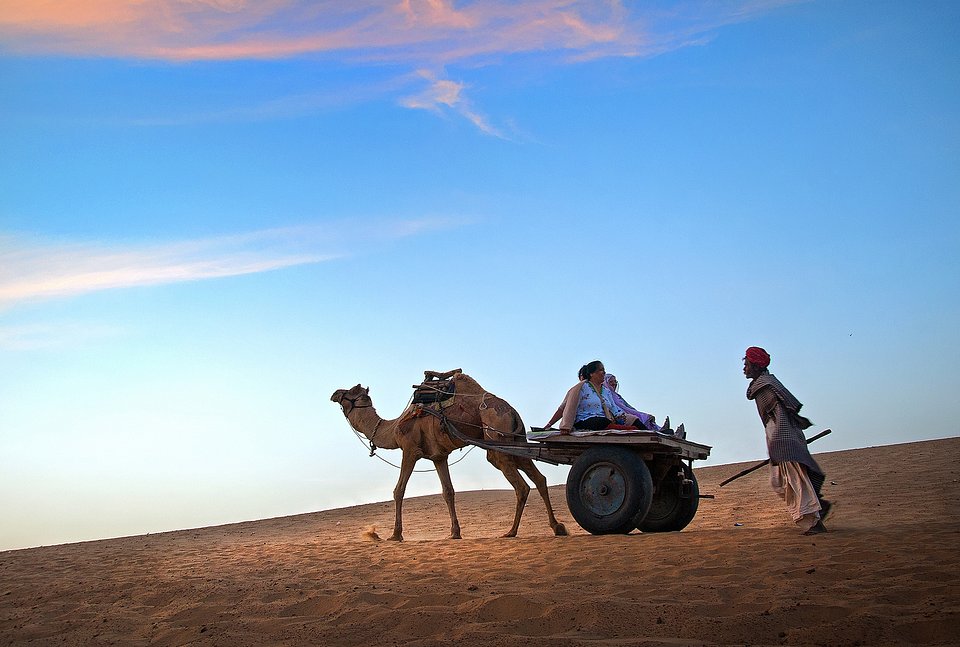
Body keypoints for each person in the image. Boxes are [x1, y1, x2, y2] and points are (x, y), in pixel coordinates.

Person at [743, 346, 831, 535]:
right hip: (778, 434)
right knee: (780, 481)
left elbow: (779, 413)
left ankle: (812, 522)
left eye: (746, 363)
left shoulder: (765, 386)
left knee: (793, 480)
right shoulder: (764, 384)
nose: (744, 368)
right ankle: (817, 509)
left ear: (755, 366)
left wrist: (780, 442)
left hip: (782, 435)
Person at [556, 360, 646, 432]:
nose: (604, 372)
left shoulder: (606, 391)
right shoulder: (581, 387)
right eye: (600, 370)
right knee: (601, 421)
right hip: (586, 420)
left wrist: (624, 417)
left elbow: (614, 409)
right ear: (591, 373)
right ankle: (627, 430)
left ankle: (646, 433)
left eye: (604, 370)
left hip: (606, 419)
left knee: (633, 419)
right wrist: (564, 426)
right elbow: (568, 407)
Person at [604, 373, 685, 438]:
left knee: (643, 419)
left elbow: (629, 407)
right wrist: (641, 415)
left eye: (615, 382)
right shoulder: (608, 395)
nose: (614, 384)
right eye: (611, 382)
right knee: (637, 419)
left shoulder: (616, 395)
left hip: (623, 414)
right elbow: (621, 408)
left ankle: (664, 432)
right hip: (619, 415)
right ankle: (661, 432)